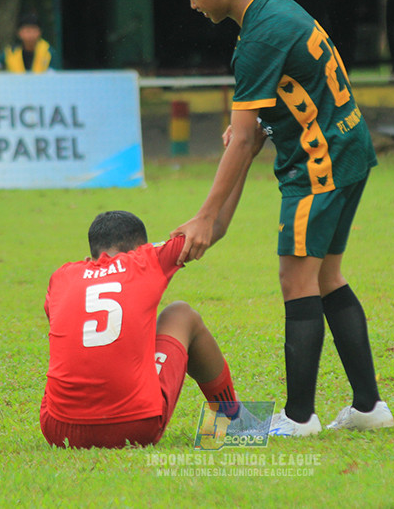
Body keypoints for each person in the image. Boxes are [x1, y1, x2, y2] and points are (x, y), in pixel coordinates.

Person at [163, 0, 393, 437]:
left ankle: (298, 418)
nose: (193, 5)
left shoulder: (256, 41)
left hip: (318, 165)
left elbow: (244, 140)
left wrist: (205, 217)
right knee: (327, 277)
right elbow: (257, 127)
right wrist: (218, 220)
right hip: (349, 150)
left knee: (296, 281)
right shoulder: (274, 4)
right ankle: (368, 408)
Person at [41, 136, 266, 449]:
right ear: (140, 247)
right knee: (181, 313)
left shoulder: (62, 276)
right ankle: (233, 419)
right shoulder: (144, 260)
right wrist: (244, 157)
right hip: (134, 426)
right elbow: (213, 229)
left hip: (57, 430)